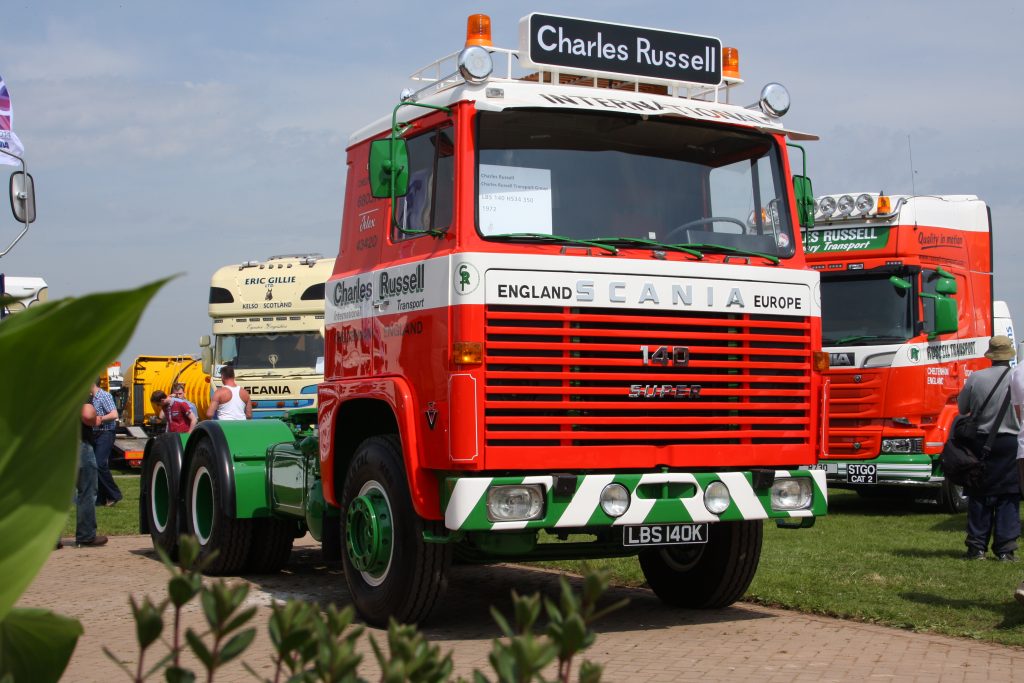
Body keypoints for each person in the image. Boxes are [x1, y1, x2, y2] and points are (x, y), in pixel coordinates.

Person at [957, 335, 1020, 561]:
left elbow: (962, 408)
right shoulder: (1017, 377)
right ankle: (1005, 548)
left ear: (990, 355)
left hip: (980, 442)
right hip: (1010, 442)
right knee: (1008, 495)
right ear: (1009, 354)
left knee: (978, 493)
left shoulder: (976, 378)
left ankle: (977, 547)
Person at [73, 399, 108, 548]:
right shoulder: (78, 392)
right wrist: (96, 419)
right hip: (79, 445)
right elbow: (87, 415)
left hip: (56, 445)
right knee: (86, 491)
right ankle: (86, 536)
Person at [90, 379, 123, 507]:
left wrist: (100, 419)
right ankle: (102, 498)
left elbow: (114, 414)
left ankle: (114, 494)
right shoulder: (90, 398)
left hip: (106, 433)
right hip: (95, 434)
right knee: (94, 465)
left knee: (99, 464)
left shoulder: (104, 396)